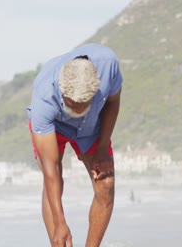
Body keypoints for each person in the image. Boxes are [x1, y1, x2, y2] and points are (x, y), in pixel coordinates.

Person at [26, 43, 122, 247]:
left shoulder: (108, 66)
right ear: (62, 93)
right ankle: (58, 241)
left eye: (82, 106)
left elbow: (113, 101)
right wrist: (60, 222)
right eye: (71, 105)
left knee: (106, 183)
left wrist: (103, 148)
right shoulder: (43, 101)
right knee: (54, 183)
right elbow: (52, 171)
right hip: (54, 127)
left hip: (91, 126)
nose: (75, 111)